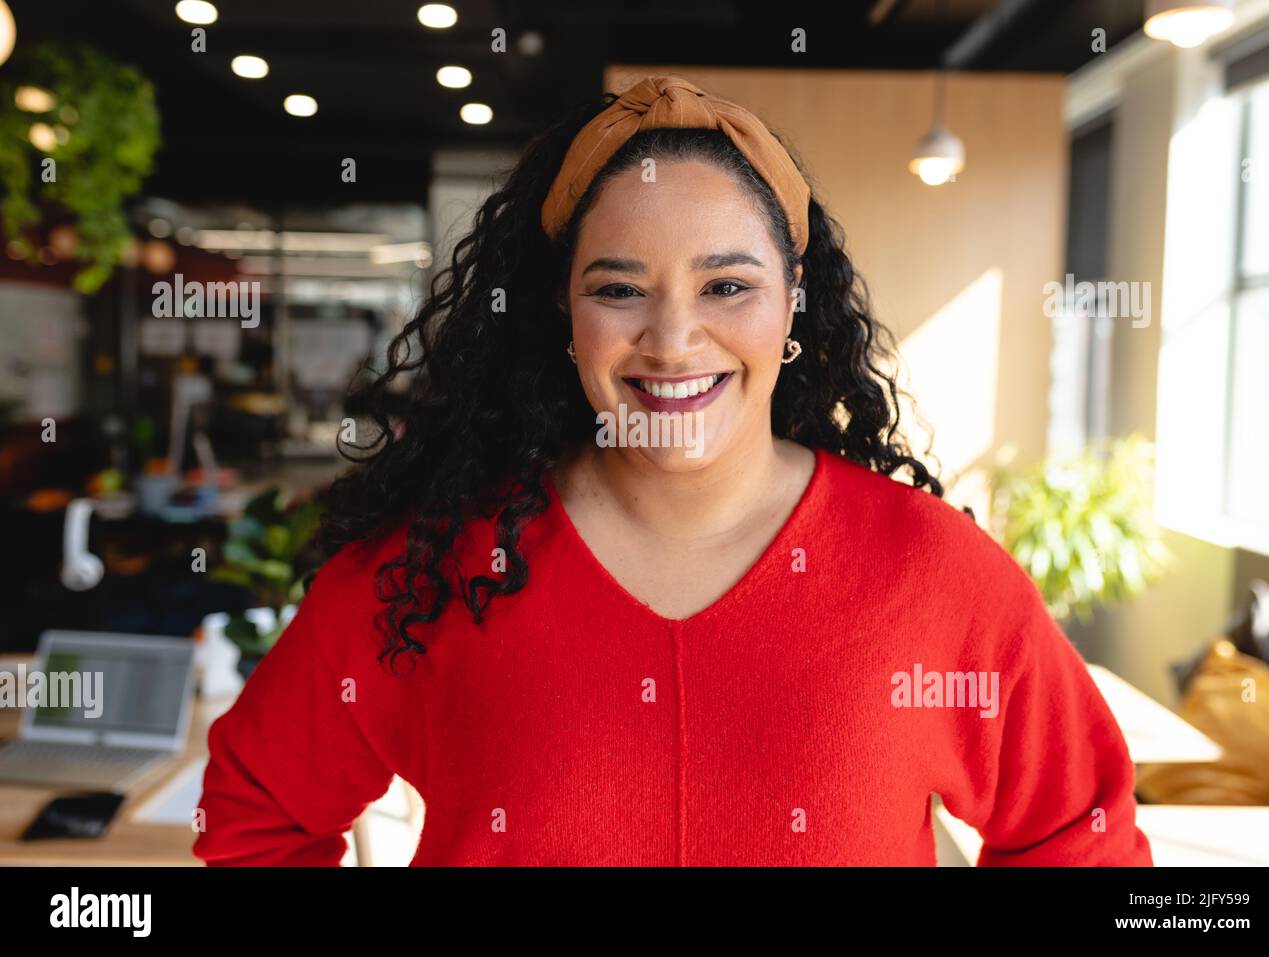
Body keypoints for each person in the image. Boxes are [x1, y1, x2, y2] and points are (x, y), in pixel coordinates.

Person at [192, 76, 1153, 866]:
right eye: (618, 289)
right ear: (561, 317)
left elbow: (1084, 839)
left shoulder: (932, 571)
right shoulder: (435, 564)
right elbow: (256, 814)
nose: (673, 338)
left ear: (793, 305)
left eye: (727, 285)